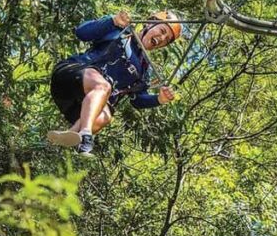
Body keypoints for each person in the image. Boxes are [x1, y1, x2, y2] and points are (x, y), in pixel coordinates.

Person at [47, 10, 179, 157]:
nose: (161, 38)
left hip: (77, 103)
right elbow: (81, 32)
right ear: (149, 23)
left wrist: (159, 99)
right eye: (161, 31)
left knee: (105, 116)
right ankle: (85, 137)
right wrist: (112, 21)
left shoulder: (143, 70)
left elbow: (137, 100)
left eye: (166, 39)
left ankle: (71, 134)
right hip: (69, 75)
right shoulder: (120, 30)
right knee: (103, 86)